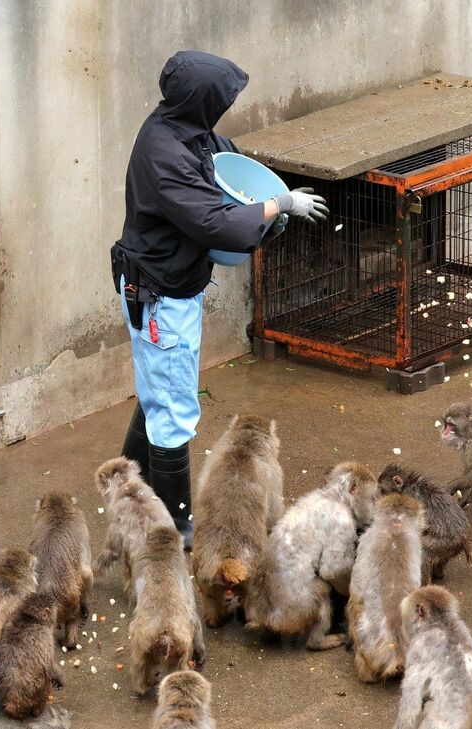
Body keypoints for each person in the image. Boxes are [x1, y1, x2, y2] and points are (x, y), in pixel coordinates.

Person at [110, 51, 328, 547]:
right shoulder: (161, 153)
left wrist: (265, 214)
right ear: (201, 101)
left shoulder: (188, 128)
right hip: (159, 295)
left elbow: (226, 171)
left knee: (160, 392)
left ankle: (127, 491)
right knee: (174, 411)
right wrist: (277, 204)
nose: (225, 109)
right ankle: (177, 530)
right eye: (222, 99)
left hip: (169, 284)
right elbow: (213, 223)